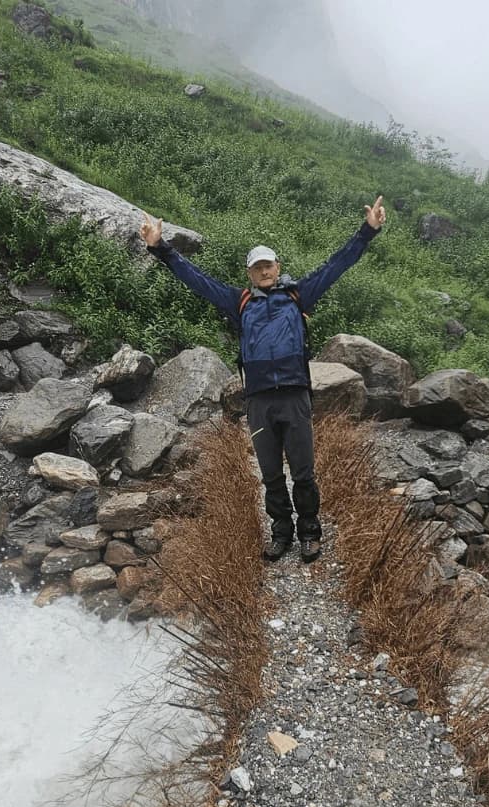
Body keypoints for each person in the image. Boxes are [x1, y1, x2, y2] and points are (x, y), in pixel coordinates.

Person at [140, 197, 386, 563]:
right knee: (271, 474)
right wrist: (160, 247)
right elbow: (198, 281)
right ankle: (281, 533)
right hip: (258, 401)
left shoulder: (298, 295)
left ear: (277, 266)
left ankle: (310, 533)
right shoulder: (239, 302)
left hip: (294, 396)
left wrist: (368, 231)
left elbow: (337, 264)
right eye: (257, 267)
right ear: (250, 273)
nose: (264, 271)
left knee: (303, 472)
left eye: (268, 265)